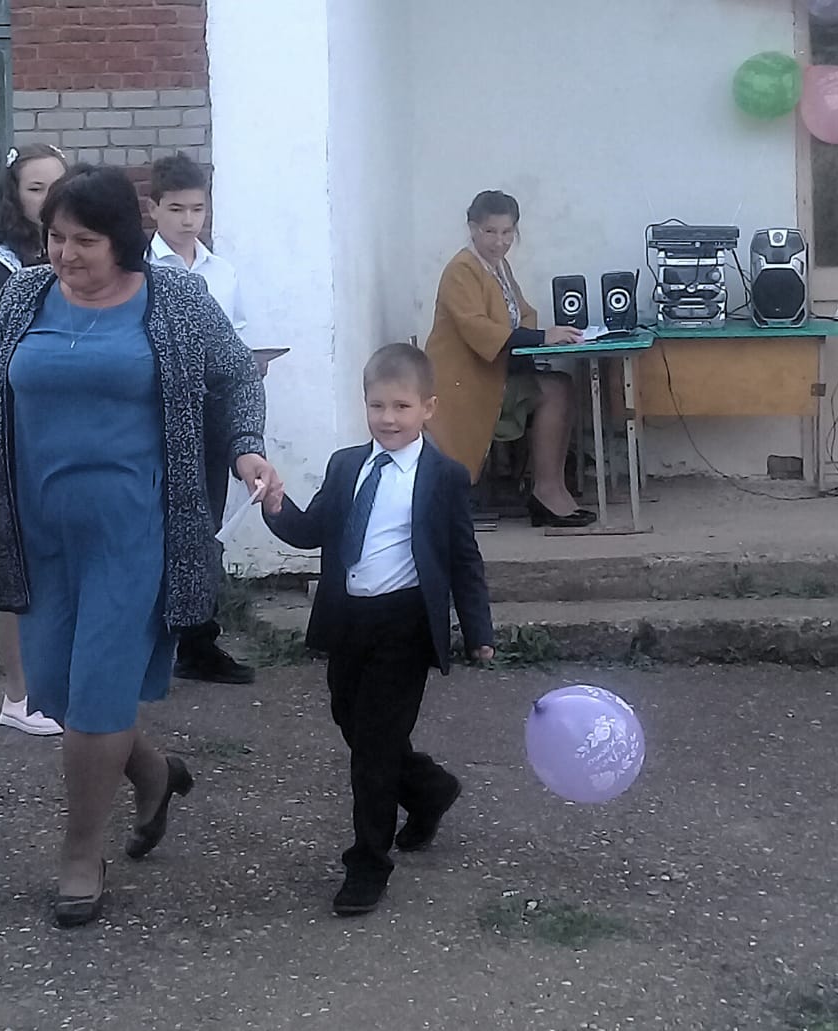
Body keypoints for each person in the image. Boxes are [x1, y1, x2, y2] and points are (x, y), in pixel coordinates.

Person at [0, 164, 283, 927]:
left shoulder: (175, 300)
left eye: (84, 241)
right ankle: (154, 772)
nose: (65, 254)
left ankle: (80, 853)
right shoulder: (24, 297)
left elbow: (238, 377)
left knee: (99, 692)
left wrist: (245, 448)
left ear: (122, 240)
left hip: (136, 530)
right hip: (39, 531)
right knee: (59, 692)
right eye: (55, 237)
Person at [263, 343, 494, 917]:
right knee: (353, 722)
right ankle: (429, 789)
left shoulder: (444, 477)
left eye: (401, 406)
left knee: (373, 751)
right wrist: (276, 506)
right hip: (349, 620)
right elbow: (313, 530)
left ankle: (368, 864)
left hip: (404, 625)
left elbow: (463, 558)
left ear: (428, 408)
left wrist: (478, 630)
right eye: (377, 406)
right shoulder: (347, 466)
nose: (388, 419)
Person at [0, 143, 69, 737]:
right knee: (14, 556)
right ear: (15, 195)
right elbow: (16, 346)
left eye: (59, 184)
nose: (50, 197)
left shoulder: (69, 249)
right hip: (11, 421)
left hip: (60, 421)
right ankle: (19, 692)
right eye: (36, 188)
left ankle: (56, 678)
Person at [145, 152, 254, 686]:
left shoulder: (222, 272)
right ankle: (149, 634)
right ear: (153, 209)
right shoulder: (140, 270)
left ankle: (198, 639)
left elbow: (235, 340)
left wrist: (249, 368)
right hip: (156, 412)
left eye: (197, 209)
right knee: (154, 521)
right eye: (176, 209)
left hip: (208, 411)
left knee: (205, 520)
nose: (188, 221)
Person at [424, 189, 596, 528]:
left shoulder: (497, 267)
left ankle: (551, 487)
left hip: (491, 371)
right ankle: (546, 491)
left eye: (507, 232)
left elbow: (522, 314)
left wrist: (544, 337)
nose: (499, 241)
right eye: (490, 231)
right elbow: (478, 329)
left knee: (560, 384)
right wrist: (542, 338)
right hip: (462, 382)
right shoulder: (461, 269)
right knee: (555, 390)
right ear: (472, 228)